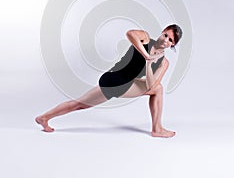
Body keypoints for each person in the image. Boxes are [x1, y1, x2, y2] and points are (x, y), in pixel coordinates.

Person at [35, 24, 182, 138]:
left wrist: (149, 64)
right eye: (166, 35)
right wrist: (146, 55)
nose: (166, 40)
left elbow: (151, 85)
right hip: (115, 80)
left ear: (172, 45)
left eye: (170, 40)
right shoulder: (145, 38)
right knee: (79, 104)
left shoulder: (164, 63)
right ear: (162, 32)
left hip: (126, 82)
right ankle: (157, 129)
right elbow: (130, 34)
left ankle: (44, 118)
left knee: (158, 88)